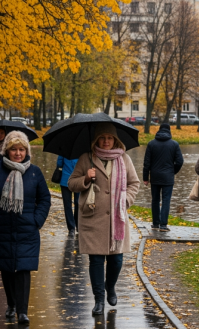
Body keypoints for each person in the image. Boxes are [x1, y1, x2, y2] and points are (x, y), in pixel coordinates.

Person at [68, 123, 140, 315]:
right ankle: (99, 300)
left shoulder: (124, 159)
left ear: (115, 140)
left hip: (118, 217)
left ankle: (111, 286)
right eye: (102, 138)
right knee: (97, 261)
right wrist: (85, 178)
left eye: (109, 138)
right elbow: (71, 184)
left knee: (116, 261)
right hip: (93, 219)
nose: (106, 141)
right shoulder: (86, 159)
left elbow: (134, 183)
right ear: (96, 140)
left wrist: (126, 199)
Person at [0, 131, 51, 325]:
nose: (18, 153)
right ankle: (11, 304)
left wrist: (36, 220)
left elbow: (44, 199)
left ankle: (22, 311)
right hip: (1, 227)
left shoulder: (34, 172)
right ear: (7, 150)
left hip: (26, 228)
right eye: (14, 149)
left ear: (26, 151)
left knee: (23, 269)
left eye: (21, 149)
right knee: (7, 268)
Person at [142, 123, 184, 232]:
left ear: (159, 130)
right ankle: (163, 225)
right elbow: (180, 161)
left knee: (155, 200)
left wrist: (145, 177)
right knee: (166, 200)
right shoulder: (174, 144)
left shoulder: (151, 144)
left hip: (155, 176)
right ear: (169, 131)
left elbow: (147, 163)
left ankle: (155, 223)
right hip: (168, 177)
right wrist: (172, 171)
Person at [57, 155, 80, 237]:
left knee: (71, 204)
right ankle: (72, 227)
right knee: (75, 203)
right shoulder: (81, 151)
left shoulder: (66, 150)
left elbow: (59, 163)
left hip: (77, 180)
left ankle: (73, 227)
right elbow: (59, 162)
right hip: (66, 180)